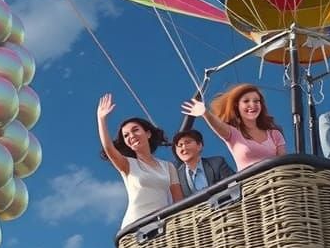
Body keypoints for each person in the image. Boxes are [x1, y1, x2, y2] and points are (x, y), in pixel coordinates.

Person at [97, 93, 183, 228]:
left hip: (163, 225)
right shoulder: (127, 164)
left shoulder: (168, 166)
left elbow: (179, 201)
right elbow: (109, 148)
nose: (131, 136)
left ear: (148, 133)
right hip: (136, 227)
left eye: (135, 130)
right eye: (126, 135)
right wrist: (101, 119)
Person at [181, 83, 285, 171]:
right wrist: (205, 113)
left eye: (256, 101)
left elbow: (284, 164)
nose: (252, 105)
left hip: (275, 187)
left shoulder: (274, 134)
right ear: (237, 106)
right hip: (251, 188)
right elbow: (218, 125)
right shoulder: (234, 134)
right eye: (246, 101)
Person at [171, 129, 234, 196]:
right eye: (180, 145)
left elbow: (233, 185)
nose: (183, 148)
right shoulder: (176, 177)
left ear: (199, 146)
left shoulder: (217, 163)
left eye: (187, 142)